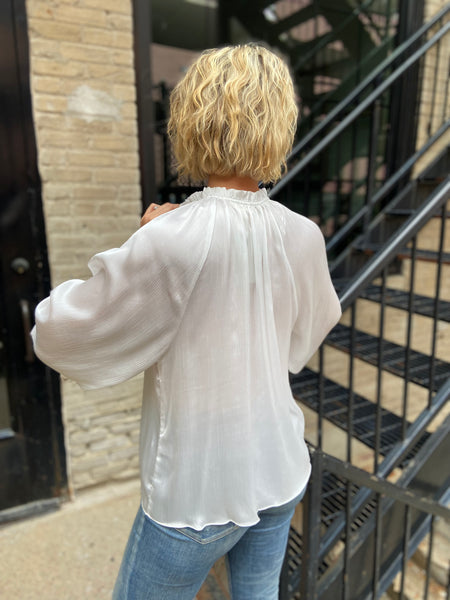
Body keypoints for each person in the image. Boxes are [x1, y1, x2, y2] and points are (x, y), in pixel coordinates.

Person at [31, 44, 341, 600]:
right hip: (280, 462)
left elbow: (61, 333)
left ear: (192, 122)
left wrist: (140, 240)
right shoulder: (303, 233)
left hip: (197, 489)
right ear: (280, 124)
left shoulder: (172, 237)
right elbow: (310, 331)